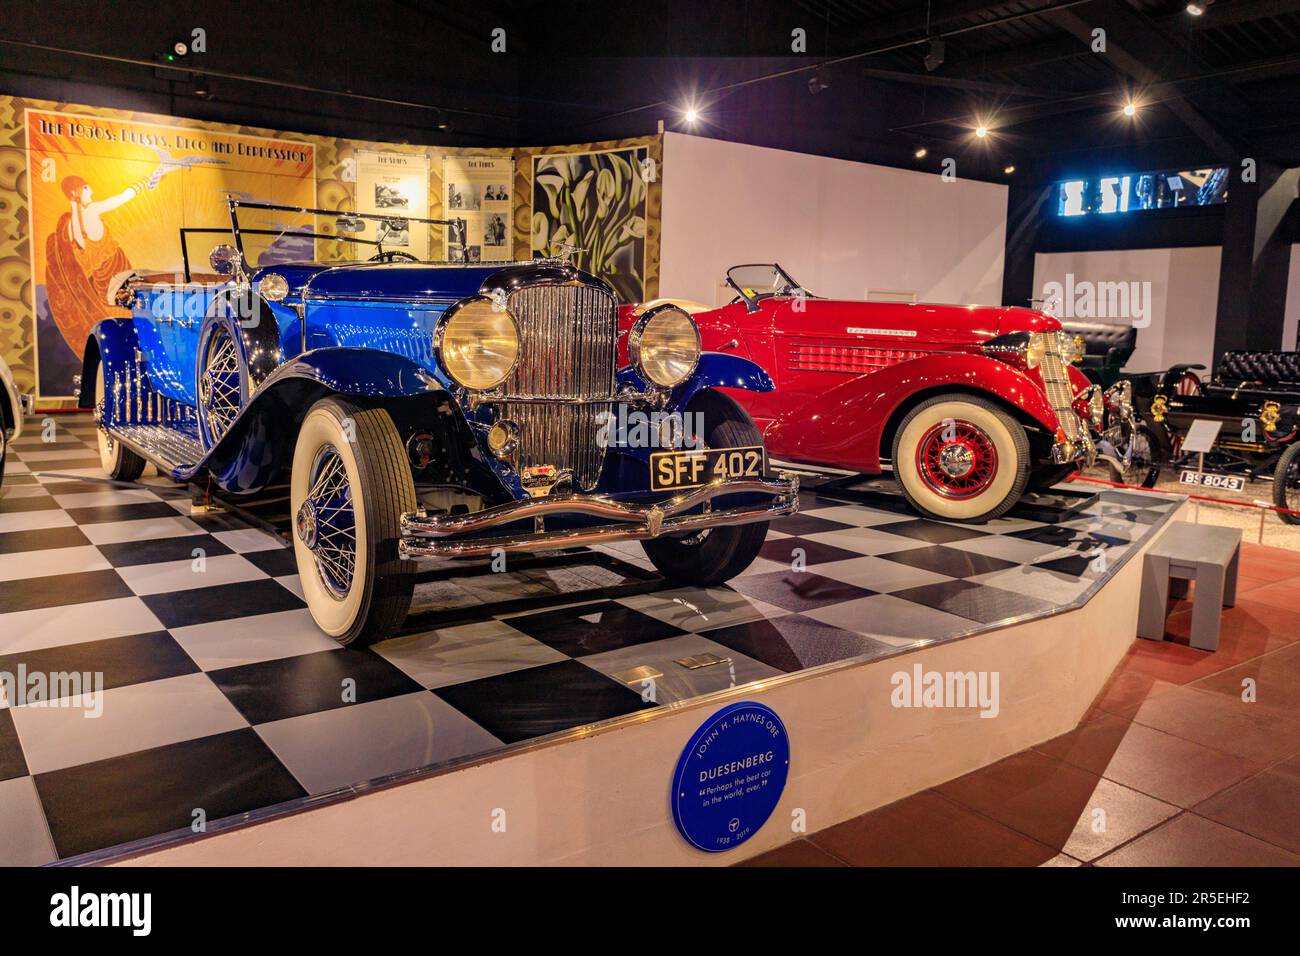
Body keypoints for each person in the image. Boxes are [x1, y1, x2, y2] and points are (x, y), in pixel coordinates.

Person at [44, 167, 171, 355]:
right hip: (118, 279)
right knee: (138, 320)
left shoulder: (68, 226)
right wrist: (148, 181)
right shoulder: (92, 211)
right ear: (75, 192)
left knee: (119, 326)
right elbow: (122, 197)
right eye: (86, 188)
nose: (91, 191)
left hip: (100, 286)